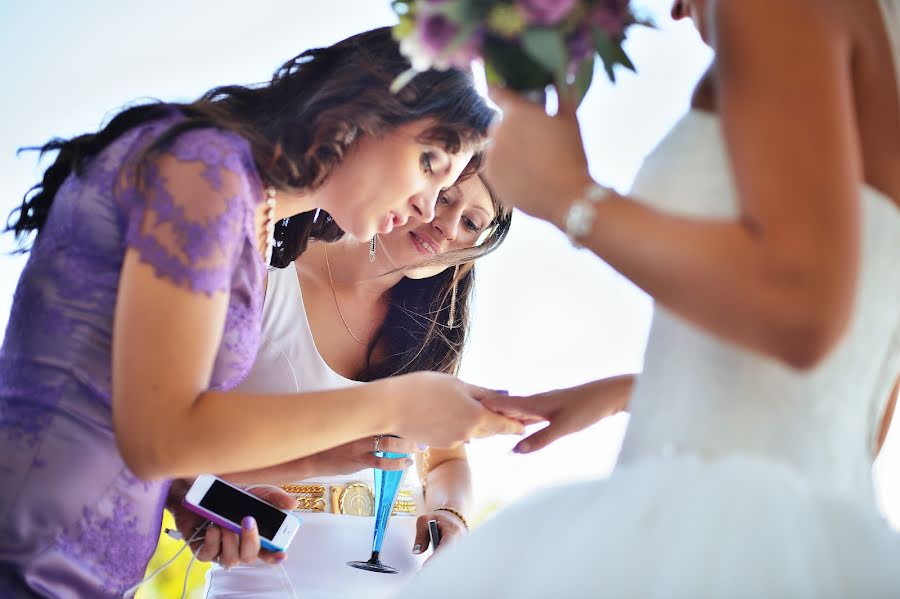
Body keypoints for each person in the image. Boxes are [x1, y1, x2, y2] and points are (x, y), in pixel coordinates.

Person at [398, 0, 900, 597]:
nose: (674, 8)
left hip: (719, 535)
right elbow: (853, 400)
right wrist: (629, 394)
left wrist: (569, 195)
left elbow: (802, 308)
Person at [0, 27, 521, 599]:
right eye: (430, 164)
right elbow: (157, 437)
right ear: (368, 109)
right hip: (26, 559)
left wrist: (192, 498)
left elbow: (140, 437)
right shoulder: (205, 170)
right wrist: (397, 401)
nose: (429, 206)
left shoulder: (249, 221)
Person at [183, 172, 510, 598]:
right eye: (444, 198)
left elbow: (447, 460)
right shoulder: (268, 280)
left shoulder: (427, 337)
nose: (448, 226)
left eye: (471, 223)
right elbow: (177, 446)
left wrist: (453, 514)